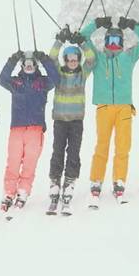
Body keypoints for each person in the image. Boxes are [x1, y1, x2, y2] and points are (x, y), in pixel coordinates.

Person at [80, 16, 139, 204]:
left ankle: (119, 180)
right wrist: (96, 24)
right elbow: (83, 37)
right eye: (109, 40)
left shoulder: (129, 56)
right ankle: (96, 180)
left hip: (124, 108)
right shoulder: (97, 57)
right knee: (102, 144)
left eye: (117, 40)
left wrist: (132, 25)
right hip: (104, 107)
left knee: (123, 146)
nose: (113, 44)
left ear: (121, 42)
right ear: (105, 42)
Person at [0, 49, 60, 210]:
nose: (29, 66)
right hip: (17, 128)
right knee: (13, 162)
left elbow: (56, 79)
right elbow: (2, 79)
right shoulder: (16, 82)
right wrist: (12, 60)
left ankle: (23, 191)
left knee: (30, 162)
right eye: (26, 63)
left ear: (36, 64)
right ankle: (9, 192)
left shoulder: (43, 82)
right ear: (22, 65)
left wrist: (45, 60)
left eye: (32, 63)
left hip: (35, 128)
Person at [46, 26, 95, 213]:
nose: (73, 62)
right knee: (58, 151)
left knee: (73, 151)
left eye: (75, 59)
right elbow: (51, 58)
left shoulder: (83, 74)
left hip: (76, 120)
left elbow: (92, 59)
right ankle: (55, 181)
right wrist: (60, 40)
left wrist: (82, 42)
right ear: (65, 60)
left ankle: (70, 181)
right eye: (70, 59)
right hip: (60, 119)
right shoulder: (58, 73)